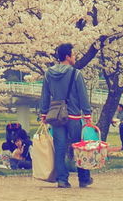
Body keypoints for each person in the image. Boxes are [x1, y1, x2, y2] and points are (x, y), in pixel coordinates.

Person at [38, 42, 94, 189]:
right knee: (78, 148)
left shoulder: (48, 74)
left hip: (56, 117)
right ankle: (83, 178)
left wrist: (44, 113)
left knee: (60, 149)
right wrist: (87, 114)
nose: (75, 57)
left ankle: (62, 180)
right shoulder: (76, 74)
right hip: (73, 116)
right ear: (68, 56)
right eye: (73, 54)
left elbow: (45, 95)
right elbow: (83, 96)